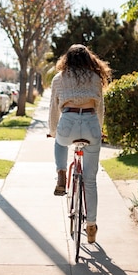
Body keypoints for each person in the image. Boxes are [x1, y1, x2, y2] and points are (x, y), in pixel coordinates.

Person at [48, 44, 111, 243]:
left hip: (68, 123)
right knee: (90, 181)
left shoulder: (59, 79)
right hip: (91, 124)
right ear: (89, 59)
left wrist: (52, 131)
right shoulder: (95, 78)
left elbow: (53, 109)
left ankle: (61, 173)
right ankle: (91, 224)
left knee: (59, 143)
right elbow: (100, 108)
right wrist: (98, 130)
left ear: (67, 59)